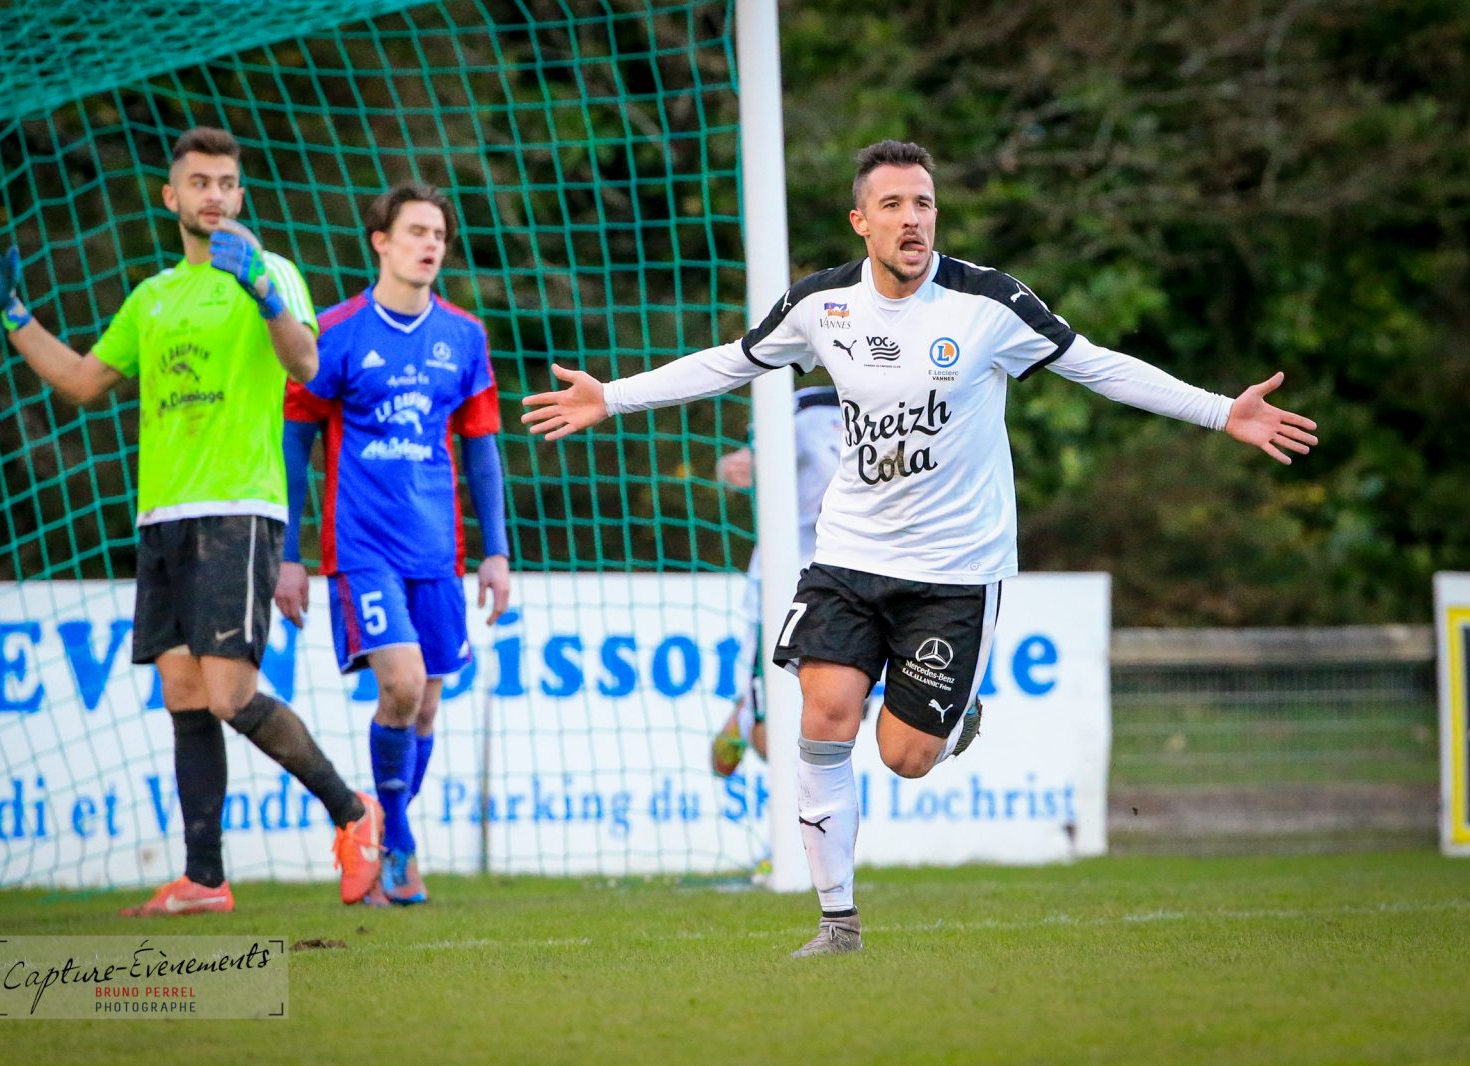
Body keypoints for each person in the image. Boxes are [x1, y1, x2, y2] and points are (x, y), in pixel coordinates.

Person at [520, 139, 1318, 957]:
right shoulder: (822, 304)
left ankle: (955, 708)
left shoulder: (989, 303)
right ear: (861, 222)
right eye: (894, 205)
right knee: (824, 715)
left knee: (904, 756)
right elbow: (734, 362)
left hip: (956, 570)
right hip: (848, 556)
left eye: (924, 204)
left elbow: (1097, 367)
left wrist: (1222, 411)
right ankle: (837, 922)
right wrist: (613, 396)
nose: (913, 220)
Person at [0, 126, 384, 915]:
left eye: (226, 183)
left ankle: (353, 813)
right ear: (170, 195)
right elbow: (83, 381)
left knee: (229, 694)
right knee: (184, 693)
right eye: (199, 182)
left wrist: (265, 292)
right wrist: (12, 313)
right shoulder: (152, 297)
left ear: (240, 196)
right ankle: (204, 880)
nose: (214, 195)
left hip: (238, 510)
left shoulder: (270, 271)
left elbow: (305, 364)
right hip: (164, 517)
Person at [276, 180, 510, 907]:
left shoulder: (464, 336)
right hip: (361, 546)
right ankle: (398, 840)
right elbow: (294, 443)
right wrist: (287, 554)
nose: (429, 244)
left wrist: (496, 551)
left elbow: (481, 449)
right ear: (381, 242)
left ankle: (383, 836)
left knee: (427, 708)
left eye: (438, 234)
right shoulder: (336, 332)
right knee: (402, 686)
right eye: (416, 231)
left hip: (436, 551)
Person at [710, 385, 842, 777]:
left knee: (830, 723)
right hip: (783, 579)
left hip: (851, 580)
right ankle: (747, 714)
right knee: (771, 738)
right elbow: (748, 459)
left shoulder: (912, 403)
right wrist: (736, 465)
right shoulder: (811, 406)